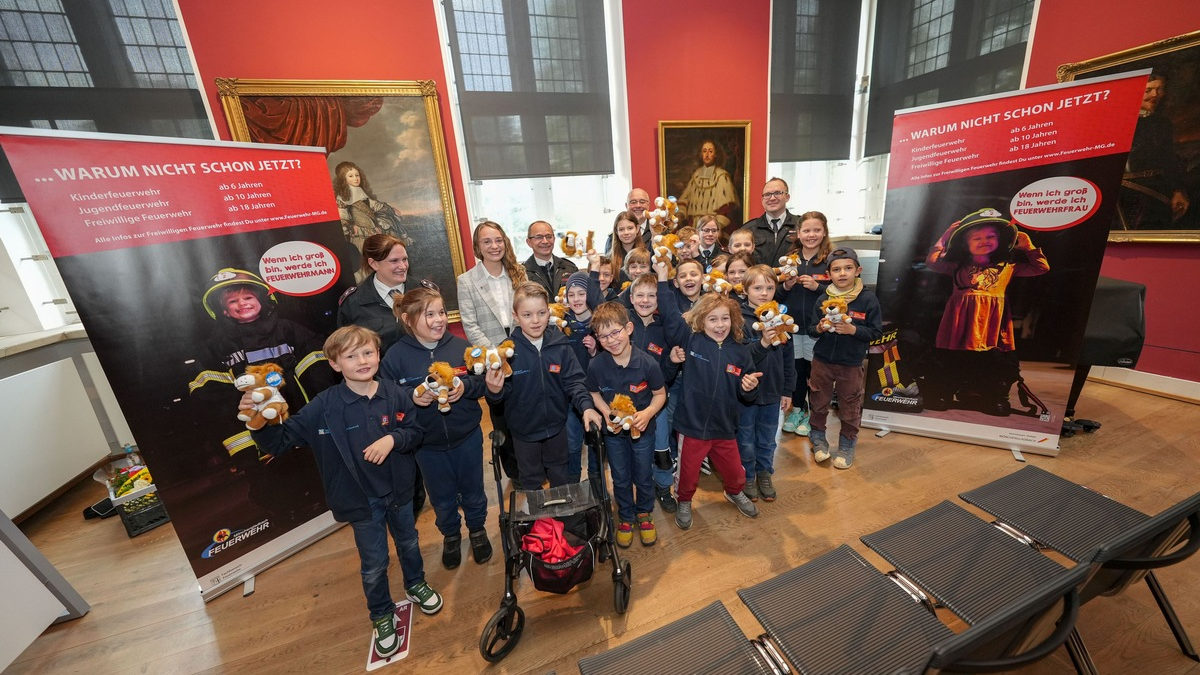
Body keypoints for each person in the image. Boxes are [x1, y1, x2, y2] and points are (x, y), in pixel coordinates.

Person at [248, 325, 441, 659]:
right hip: (360, 501)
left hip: (398, 492)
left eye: (368, 352)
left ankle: (415, 583)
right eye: (351, 356)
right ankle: (381, 613)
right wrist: (256, 422)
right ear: (335, 364)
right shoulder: (323, 406)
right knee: (374, 562)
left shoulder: (395, 394)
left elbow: (415, 432)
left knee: (409, 541)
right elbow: (279, 442)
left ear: (378, 355)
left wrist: (392, 438)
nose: (362, 360)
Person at [189, 268, 331, 523]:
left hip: (299, 419)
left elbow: (318, 371)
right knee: (271, 479)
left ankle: (323, 500)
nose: (242, 304)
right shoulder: (216, 348)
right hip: (257, 429)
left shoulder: (289, 330)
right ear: (222, 310)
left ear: (261, 300)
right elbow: (213, 398)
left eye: (247, 298)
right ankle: (286, 512)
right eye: (233, 301)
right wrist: (243, 439)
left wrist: (321, 412)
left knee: (315, 467)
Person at [381, 287, 492, 570]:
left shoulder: (461, 347)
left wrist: (465, 387)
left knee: (474, 489)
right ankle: (451, 535)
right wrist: (411, 397)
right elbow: (387, 399)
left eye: (441, 312)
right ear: (407, 319)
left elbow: (481, 382)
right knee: (441, 496)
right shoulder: (395, 357)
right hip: (426, 445)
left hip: (467, 435)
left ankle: (477, 531)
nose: (438, 319)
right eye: (428, 314)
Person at [922, 208, 1050, 416]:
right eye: (977, 237)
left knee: (993, 359)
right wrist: (944, 237)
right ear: (965, 242)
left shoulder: (1008, 267)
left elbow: (1041, 268)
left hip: (992, 323)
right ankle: (943, 390)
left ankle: (991, 395)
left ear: (1000, 240)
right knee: (950, 357)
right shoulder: (956, 266)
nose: (984, 240)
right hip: (959, 323)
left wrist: (1029, 247)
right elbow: (932, 262)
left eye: (991, 236)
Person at [485, 282, 603, 490]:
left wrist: (587, 407)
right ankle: (541, 522)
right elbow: (499, 397)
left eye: (541, 313)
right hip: (524, 432)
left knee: (560, 475)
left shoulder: (560, 345)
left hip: (557, 427)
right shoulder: (506, 353)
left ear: (549, 313)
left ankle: (561, 519)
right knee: (531, 480)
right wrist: (494, 391)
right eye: (527, 315)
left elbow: (575, 381)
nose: (536, 321)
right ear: (515, 316)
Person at [669, 292, 761, 529]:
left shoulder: (740, 352)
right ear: (700, 321)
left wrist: (749, 387)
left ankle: (734, 492)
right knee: (688, 475)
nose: (720, 325)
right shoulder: (692, 341)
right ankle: (684, 500)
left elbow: (747, 394)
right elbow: (670, 315)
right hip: (692, 426)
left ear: (733, 320)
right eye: (712, 319)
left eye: (725, 319)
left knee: (734, 472)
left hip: (725, 426)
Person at [586, 301, 667, 547]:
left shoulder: (648, 363)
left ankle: (644, 513)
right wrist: (606, 412)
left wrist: (649, 412)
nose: (611, 340)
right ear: (597, 339)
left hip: (643, 433)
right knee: (620, 477)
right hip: (614, 435)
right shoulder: (596, 365)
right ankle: (626, 516)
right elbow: (593, 393)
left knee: (643, 475)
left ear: (629, 328)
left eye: (615, 332)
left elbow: (660, 394)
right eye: (603, 336)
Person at [456, 221, 528, 481]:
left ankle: (531, 463)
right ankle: (514, 470)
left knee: (526, 406)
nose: (494, 246)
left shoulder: (519, 273)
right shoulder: (466, 281)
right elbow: (470, 325)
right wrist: (495, 353)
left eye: (498, 240)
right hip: (492, 358)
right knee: (502, 415)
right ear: (478, 247)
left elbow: (528, 309)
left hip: (523, 348)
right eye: (487, 241)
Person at [806, 247, 882, 469]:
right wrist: (819, 327)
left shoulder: (868, 299)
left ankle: (847, 443)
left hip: (851, 363)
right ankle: (818, 437)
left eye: (848, 268)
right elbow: (811, 329)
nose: (842, 273)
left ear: (858, 270)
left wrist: (854, 331)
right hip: (822, 361)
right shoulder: (823, 298)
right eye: (836, 269)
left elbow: (876, 333)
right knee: (819, 401)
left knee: (850, 404)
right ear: (828, 274)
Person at [736, 265, 795, 502]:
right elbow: (739, 359)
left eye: (769, 288)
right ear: (745, 289)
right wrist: (762, 342)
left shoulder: (783, 318)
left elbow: (789, 359)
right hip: (746, 393)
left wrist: (787, 390)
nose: (764, 293)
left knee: (767, 438)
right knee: (746, 438)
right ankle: (747, 475)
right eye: (758, 287)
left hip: (772, 391)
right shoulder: (738, 319)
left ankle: (764, 472)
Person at [779, 211, 833, 437]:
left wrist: (817, 288)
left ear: (824, 232)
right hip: (792, 328)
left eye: (816, 230)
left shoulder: (830, 260)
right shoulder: (789, 260)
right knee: (797, 371)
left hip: (817, 329)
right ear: (798, 233)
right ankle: (797, 410)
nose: (811, 235)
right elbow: (775, 296)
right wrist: (787, 286)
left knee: (816, 373)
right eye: (807, 230)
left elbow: (839, 295)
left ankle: (813, 414)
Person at [1117, 73, 1191, 230]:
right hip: (1121, 197)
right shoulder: (1116, 121)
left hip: (1155, 194)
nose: (1155, 95)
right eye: (1148, 90)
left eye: (1159, 89)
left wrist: (1178, 191)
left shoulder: (1162, 124)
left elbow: (1169, 160)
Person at [337, 234, 410, 355]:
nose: (403, 266)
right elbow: (345, 351)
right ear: (374, 264)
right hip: (378, 373)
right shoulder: (353, 302)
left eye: (405, 259)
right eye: (394, 261)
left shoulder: (424, 293)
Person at [332, 162, 403, 250]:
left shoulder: (362, 193)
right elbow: (343, 219)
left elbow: (376, 205)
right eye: (351, 176)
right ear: (343, 179)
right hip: (359, 235)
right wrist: (350, 228)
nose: (356, 178)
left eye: (357, 175)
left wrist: (390, 209)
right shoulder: (342, 198)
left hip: (374, 232)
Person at [677, 139, 740, 230]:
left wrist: (716, 227)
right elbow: (684, 201)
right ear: (701, 154)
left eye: (710, 151)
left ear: (716, 154)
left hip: (713, 228)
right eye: (704, 151)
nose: (707, 154)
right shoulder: (696, 176)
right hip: (694, 227)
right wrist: (679, 215)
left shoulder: (721, 176)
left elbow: (725, 208)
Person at [740, 178, 797, 267]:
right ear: (762, 200)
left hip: (793, 279)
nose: (772, 198)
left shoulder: (800, 226)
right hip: (757, 280)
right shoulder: (748, 229)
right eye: (767, 194)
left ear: (787, 197)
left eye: (778, 193)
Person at [523, 220, 578, 297]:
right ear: (529, 242)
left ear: (554, 239)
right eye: (539, 237)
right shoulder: (522, 274)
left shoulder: (570, 268)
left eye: (549, 237)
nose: (545, 241)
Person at [605, 189, 655, 253]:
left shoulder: (658, 231)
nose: (638, 206)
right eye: (633, 202)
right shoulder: (612, 239)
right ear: (626, 205)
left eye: (642, 202)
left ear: (648, 205)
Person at [609, 210, 648, 284]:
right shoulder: (610, 259)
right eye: (621, 229)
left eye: (630, 228)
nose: (626, 233)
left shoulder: (647, 254)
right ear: (616, 232)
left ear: (637, 228)